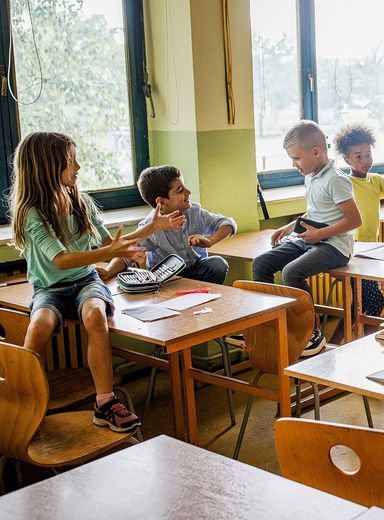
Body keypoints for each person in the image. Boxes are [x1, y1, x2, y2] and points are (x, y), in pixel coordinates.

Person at [10, 132, 184, 432]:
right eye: (70, 161)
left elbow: (109, 243)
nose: (78, 167)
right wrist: (110, 252)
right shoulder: (32, 213)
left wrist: (153, 227)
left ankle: (105, 403)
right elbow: (61, 259)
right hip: (49, 289)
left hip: (85, 281)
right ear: (46, 166)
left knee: (94, 316)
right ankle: (21, 401)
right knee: (38, 328)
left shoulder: (81, 203)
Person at [252, 120, 362, 355]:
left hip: (335, 246)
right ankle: (269, 324)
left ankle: (310, 330)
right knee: (261, 263)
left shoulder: (336, 179)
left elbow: (354, 220)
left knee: (291, 272)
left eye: (296, 158)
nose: (294, 164)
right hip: (311, 239)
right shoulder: (311, 175)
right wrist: (290, 227)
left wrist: (319, 234)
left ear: (316, 152)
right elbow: (315, 212)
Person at [103, 165, 236, 284]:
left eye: (185, 186)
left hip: (196, 270)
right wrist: (108, 271)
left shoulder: (194, 212)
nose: (188, 192)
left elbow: (227, 223)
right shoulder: (150, 227)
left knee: (217, 264)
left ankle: (202, 296)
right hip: (167, 278)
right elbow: (125, 256)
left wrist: (211, 240)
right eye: (180, 190)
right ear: (162, 202)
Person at [332, 123, 384, 318]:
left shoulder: (376, 180)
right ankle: (361, 335)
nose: (365, 161)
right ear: (347, 159)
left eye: (368, 155)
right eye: (358, 156)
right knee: (374, 301)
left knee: (360, 303)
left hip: (373, 251)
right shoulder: (344, 183)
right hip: (352, 251)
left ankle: (346, 335)